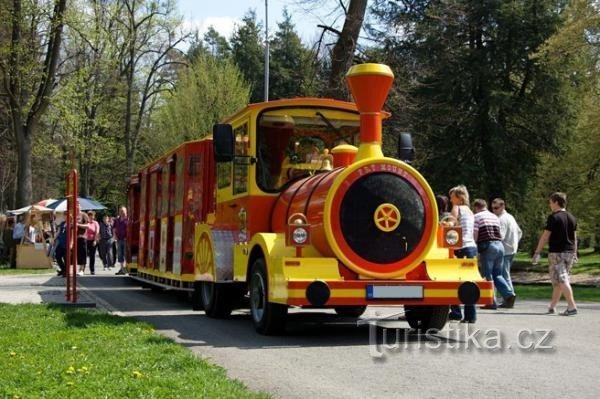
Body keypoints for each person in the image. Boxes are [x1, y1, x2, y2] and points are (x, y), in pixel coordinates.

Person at [532, 192, 578, 316]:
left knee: (562, 279)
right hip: (569, 252)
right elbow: (574, 237)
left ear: (556, 202)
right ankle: (552, 307)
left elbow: (545, 235)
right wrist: (575, 252)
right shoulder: (572, 217)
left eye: (550, 202)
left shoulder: (554, 217)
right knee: (557, 281)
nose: (549, 204)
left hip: (557, 253)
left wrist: (537, 251)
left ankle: (572, 306)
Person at [473, 198, 516, 309]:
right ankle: (509, 294)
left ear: (476, 208)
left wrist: (474, 247)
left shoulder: (477, 217)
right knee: (498, 274)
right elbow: (500, 235)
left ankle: (491, 302)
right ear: (485, 206)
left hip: (488, 247)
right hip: (500, 246)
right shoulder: (494, 217)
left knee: (487, 275)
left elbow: (475, 234)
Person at [447, 185, 478, 323]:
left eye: (452, 196)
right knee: (469, 281)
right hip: (471, 247)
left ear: (459, 198)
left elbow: (449, 225)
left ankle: (456, 312)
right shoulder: (470, 211)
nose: (450, 199)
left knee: (454, 280)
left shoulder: (457, 208)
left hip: (461, 248)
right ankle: (470, 315)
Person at [492, 198, 522, 291]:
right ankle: (508, 296)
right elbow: (519, 232)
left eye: (496, 208)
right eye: (492, 208)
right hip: (512, 250)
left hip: (505, 251)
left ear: (502, 206)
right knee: (504, 274)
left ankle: (509, 296)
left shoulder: (501, 219)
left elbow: (500, 236)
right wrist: (515, 243)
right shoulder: (510, 216)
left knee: (504, 275)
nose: (494, 210)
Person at [113, 206, 128, 275]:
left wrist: (127, 237)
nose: (122, 212)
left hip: (126, 239)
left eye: (123, 211)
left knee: (126, 254)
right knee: (120, 254)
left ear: (126, 211)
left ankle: (125, 268)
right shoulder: (117, 220)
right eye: (120, 211)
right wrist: (115, 236)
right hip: (119, 239)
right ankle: (121, 268)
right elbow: (114, 229)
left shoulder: (128, 219)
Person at [85, 211, 100, 275]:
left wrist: (95, 240)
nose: (91, 217)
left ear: (94, 216)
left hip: (93, 241)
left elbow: (97, 232)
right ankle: (82, 269)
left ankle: (92, 269)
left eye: (92, 215)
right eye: (89, 215)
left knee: (92, 256)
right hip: (85, 241)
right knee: (84, 255)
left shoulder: (96, 223)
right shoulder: (86, 223)